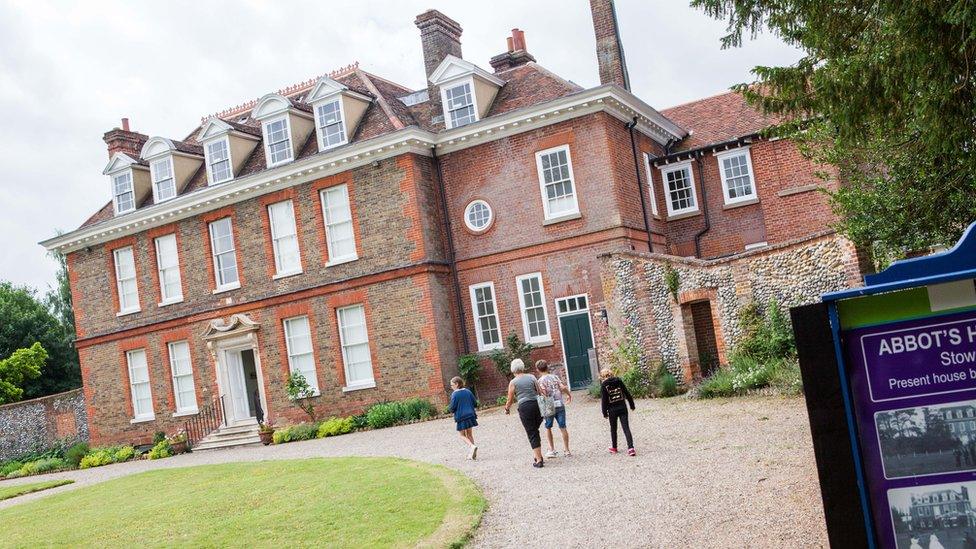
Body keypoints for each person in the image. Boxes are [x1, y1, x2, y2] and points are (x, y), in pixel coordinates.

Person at [505, 358, 545, 468]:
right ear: (522, 367)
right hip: (536, 405)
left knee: (532, 432)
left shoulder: (513, 382)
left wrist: (507, 409)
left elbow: (510, 398)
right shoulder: (532, 377)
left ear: (513, 369)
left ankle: (539, 460)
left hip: (524, 407)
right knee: (535, 431)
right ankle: (538, 455)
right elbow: (539, 391)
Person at [536, 360, 572, 457]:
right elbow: (562, 387)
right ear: (547, 367)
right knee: (563, 427)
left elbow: (543, 393)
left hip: (549, 407)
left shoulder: (540, 381)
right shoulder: (555, 377)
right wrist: (569, 395)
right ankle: (567, 450)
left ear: (538, 370)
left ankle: (552, 449)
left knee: (548, 427)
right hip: (559, 404)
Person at [600, 368, 636, 456]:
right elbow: (627, 393)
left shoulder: (604, 385)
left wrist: (604, 413)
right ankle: (631, 448)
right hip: (622, 407)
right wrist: (632, 405)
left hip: (612, 410)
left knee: (613, 429)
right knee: (626, 428)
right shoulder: (619, 381)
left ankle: (614, 447)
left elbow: (604, 400)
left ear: (603, 376)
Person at [448, 376, 478, 460]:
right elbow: (475, 403)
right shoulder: (468, 391)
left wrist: (450, 409)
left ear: (457, 384)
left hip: (461, 417)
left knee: (462, 435)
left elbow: (452, 407)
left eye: (452, 385)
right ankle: (472, 453)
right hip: (471, 415)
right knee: (469, 434)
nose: (451, 387)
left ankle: (472, 446)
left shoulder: (455, 394)